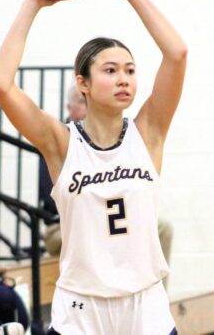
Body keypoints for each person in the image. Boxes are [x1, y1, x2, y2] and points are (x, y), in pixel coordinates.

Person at [0, 0, 187, 333]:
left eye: (129, 69)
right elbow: (1, 84)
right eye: (110, 71)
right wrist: (32, 3)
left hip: (145, 304)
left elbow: (177, 53)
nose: (123, 78)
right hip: (82, 306)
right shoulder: (61, 143)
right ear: (83, 83)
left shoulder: (148, 133)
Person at [40, 86, 175, 283]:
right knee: (107, 226)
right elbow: (52, 198)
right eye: (81, 100)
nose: (86, 105)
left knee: (161, 227)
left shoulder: (114, 136)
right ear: (68, 107)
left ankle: (152, 294)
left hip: (111, 213)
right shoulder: (59, 139)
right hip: (62, 225)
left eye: (89, 99)